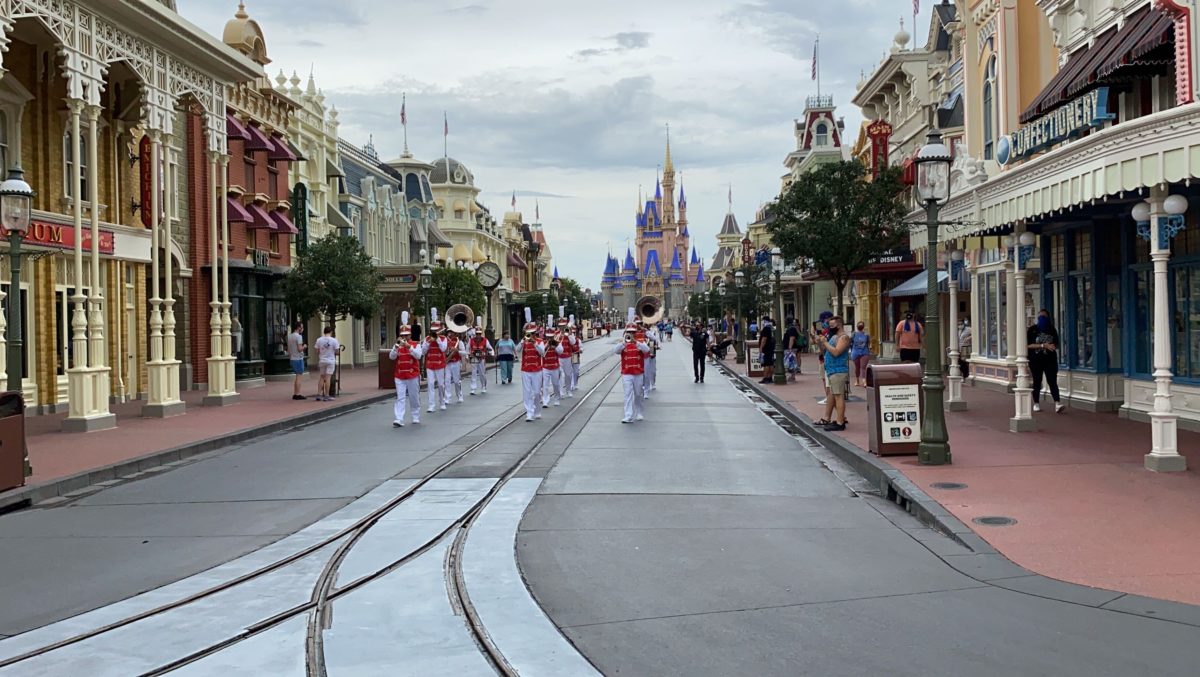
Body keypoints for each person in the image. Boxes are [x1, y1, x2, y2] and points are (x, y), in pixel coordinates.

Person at [815, 315, 852, 431]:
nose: (830, 327)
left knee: (838, 396)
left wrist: (825, 342)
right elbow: (826, 351)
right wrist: (820, 343)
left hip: (838, 370)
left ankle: (840, 422)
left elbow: (836, 352)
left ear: (839, 325)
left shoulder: (843, 338)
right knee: (832, 395)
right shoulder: (834, 337)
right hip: (831, 370)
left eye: (832, 325)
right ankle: (828, 418)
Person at [1028, 310, 1064, 413]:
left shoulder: (1052, 329)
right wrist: (1043, 345)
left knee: (1052, 381)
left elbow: (1056, 343)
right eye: (1040, 317)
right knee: (1037, 381)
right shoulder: (1032, 330)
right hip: (1036, 360)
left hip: (1050, 360)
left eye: (1044, 316)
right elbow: (1028, 345)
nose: (1042, 319)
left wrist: (1052, 346)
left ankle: (1057, 403)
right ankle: (1036, 403)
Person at [390, 319, 425, 427]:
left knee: (413, 396)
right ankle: (399, 418)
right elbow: (391, 357)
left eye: (406, 335)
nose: (404, 338)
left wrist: (409, 347)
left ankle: (415, 416)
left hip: (412, 375)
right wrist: (396, 348)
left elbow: (418, 356)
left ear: (410, 335)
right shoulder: (397, 345)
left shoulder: (416, 344)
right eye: (402, 335)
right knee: (400, 397)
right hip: (399, 375)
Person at [614, 324, 651, 423]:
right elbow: (615, 351)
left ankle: (639, 412)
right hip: (626, 373)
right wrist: (623, 343)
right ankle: (628, 415)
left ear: (635, 333)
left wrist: (637, 342)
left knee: (638, 394)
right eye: (629, 332)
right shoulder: (623, 343)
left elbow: (647, 350)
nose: (631, 334)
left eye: (633, 332)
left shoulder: (640, 343)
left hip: (638, 372)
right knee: (627, 394)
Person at [423, 322, 449, 413]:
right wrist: (427, 343)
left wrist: (437, 339)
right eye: (433, 330)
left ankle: (442, 402)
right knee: (430, 384)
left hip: (439, 364)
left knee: (441, 384)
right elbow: (423, 352)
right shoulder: (427, 338)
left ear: (439, 330)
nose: (434, 332)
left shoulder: (443, 338)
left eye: (436, 330)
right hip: (430, 364)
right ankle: (431, 405)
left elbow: (443, 349)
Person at [313, 326, 343, 401]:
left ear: (324, 332)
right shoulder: (334, 340)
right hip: (330, 361)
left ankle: (319, 394)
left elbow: (316, 351)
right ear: (331, 332)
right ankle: (326, 395)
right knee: (328, 378)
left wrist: (322, 352)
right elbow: (337, 352)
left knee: (322, 377)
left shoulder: (319, 340)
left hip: (322, 360)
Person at [541, 329, 566, 408]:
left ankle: (556, 399)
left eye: (551, 337)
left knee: (556, 384)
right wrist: (547, 345)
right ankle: (545, 401)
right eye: (548, 337)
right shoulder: (544, 343)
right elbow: (541, 352)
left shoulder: (557, 343)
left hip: (555, 367)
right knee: (545, 385)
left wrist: (555, 345)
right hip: (545, 367)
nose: (549, 339)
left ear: (553, 337)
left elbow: (560, 352)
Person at [467, 327, 494, 395]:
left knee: (482, 373)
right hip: (473, 358)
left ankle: (483, 387)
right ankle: (473, 388)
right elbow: (467, 349)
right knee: (473, 373)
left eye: (479, 334)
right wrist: (467, 356)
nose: (478, 335)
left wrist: (492, 353)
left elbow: (490, 348)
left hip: (482, 358)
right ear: (475, 334)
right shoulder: (471, 340)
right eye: (477, 334)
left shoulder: (485, 340)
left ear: (481, 334)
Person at [445, 330, 468, 404]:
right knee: (447, 380)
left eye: (451, 332)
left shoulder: (459, 341)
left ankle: (459, 395)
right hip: (447, 363)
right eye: (449, 332)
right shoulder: (445, 341)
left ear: (454, 333)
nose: (450, 333)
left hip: (456, 362)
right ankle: (447, 398)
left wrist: (457, 351)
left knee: (456, 381)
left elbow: (464, 353)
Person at [287, 321, 307, 400]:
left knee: (297, 376)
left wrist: (290, 357)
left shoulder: (289, 336)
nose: (302, 329)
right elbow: (299, 349)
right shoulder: (298, 337)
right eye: (301, 327)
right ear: (298, 328)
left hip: (292, 357)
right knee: (299, 376)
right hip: (298, 358)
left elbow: (288, 349)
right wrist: (304, 346)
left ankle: (295, 393)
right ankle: (297, 393)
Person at [850, 322, 872, 388]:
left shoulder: (866, 335)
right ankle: (857, 380)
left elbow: (869, 343)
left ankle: (864, 381)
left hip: (864, 352)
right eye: (859, 325)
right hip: (855, 352)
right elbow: (850, 342)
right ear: (857, 327)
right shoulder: (854, 334)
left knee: (863, 367)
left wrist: (870, 347)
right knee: (857, 367)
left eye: (861, 325)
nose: (860, 326)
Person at [758, 316, 776, 384]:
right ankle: (770, 377)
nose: (762, 322)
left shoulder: (766, 328)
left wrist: (761, 348)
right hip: (771, 347)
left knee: (766, 364)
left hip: (766, 348)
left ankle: (765, 378)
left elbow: (764, 339)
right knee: (771, 363)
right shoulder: (771, 328)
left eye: (762, 321)